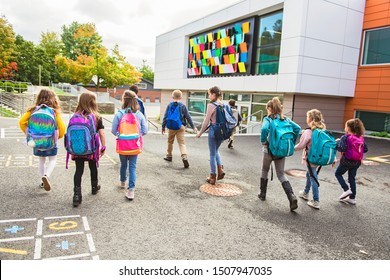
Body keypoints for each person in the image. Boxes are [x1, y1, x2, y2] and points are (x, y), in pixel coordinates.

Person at [19, 88, 65, 191]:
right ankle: (46, 175)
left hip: (35, 141)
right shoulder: (54, 112)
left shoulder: (33, 110)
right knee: (53, 159)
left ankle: (42, 181)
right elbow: (62, 128)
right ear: (53, 99)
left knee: (41, 160)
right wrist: (58, 137)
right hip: (50, 141)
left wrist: (29, 134)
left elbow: (21, 122)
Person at [259, 97, 301, 211]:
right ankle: (291, 197)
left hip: (269, 150)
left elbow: (263, 130)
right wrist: (291, 142)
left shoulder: (268, 119)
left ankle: (262, 195)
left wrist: (264, 142)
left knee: (264, 170)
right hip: (281, 151)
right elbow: (298, 128)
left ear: (270, 108)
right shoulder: (285, 119)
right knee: (281, 174)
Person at [70, 92, 106, 207]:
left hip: (78, 148)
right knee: (93, 167)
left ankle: (76, 195)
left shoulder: (74, 116)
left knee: (78, 170)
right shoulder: (96, 116)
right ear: (93, 102)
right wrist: (103, 147)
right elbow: (102, 134)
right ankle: (94, 187)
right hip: (91, 148)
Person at [111, 90, 148, 200]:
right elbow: (145, 131)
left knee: (123, 164)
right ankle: (131, 190)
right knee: (132, 166)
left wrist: (120, 134)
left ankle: (123, 182)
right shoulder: (139, 114)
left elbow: (113, 130)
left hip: (122, 144)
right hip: (134, 145)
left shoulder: (119, 114)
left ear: (123, 100)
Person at [294, 109, 329, 210]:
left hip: (311, 158)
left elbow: (301, 145)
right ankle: (305, 192)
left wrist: (291, 149)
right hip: (319, 158)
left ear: (311, 119)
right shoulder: (322, 131)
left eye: (307, 117)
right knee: (309, 174)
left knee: (313, 177)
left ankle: (316, 200)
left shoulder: (308, 132)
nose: (306, 119)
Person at [196, 86, 229, 185]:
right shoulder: (223, 104)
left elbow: (206, 121)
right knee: (216, 151)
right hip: (223, 132)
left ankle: (212, 177)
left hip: (214, 131)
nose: (209, 96)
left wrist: (200, 133)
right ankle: (220, 170)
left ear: (214, 94)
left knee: (212, 154)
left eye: (209, 94)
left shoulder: (211, 105)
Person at [335, 118, 368, 205]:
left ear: (349, 128)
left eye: (346, 126)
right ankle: (352, 198)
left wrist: (338, 142)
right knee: (352, 178)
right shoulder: (361, 137)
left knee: (338, 174)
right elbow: (365, 149)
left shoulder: (345, 137)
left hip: (347, 161)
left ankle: (346, 190)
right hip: (357, 162)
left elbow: (341, 148)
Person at [162, 89, 197, 168]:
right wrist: (193, 127)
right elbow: (188, 117)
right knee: (181, 143)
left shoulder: (169, 105)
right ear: (180, 98)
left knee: (170, 142)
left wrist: (163, 127)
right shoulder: (183, 106)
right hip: (181, 126)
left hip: (171, 127)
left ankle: (169, 156)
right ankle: (184, 156)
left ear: (172, 97)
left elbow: (165, 117)